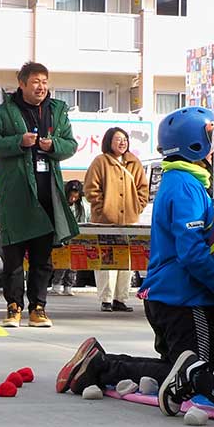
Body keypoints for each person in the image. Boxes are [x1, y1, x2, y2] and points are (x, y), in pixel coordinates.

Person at [56, 107, 214, 418]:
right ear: (194, 145)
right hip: (183, 297)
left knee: (176, 367)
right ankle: (103, 365)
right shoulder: (185, 186)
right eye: (210, 137)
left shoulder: (184, 181)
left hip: (170, 295)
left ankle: (100, 363)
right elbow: (192, 252)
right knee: (195, 372)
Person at [0, 61, 79, 329]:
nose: (41, 87)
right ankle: (13, 306)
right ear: (22, 84)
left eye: (45, 82)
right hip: (16, 194)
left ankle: (39, 308)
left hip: (48, 190)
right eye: (35, 81)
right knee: (13, 256)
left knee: (42, 258)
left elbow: (71, 144)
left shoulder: (58, 110)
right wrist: (18, 142)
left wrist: (54, 145)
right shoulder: (5, 111)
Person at [84, 126, 149, 312]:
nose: (122, 142)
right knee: (106, 259)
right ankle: (106, 298)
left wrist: (138, 206)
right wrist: (102, 208)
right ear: (109, 142)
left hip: (130, 219)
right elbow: (90, 189)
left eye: (125, 139)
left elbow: (143, 188)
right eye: (118, 139)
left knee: (127, 260)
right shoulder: (100, 162)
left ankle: (120, 298)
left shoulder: (134, 162)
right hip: (105, 221)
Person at [50, 180, 88, 296]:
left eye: (75, 196)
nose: (73, 198)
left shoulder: (82, 207)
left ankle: (69, 285)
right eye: (71, 195)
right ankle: (56, 284)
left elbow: (84, 220)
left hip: (76, 238)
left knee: (73, 265)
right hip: (64, 237)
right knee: (62, 263)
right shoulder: (61, 205)